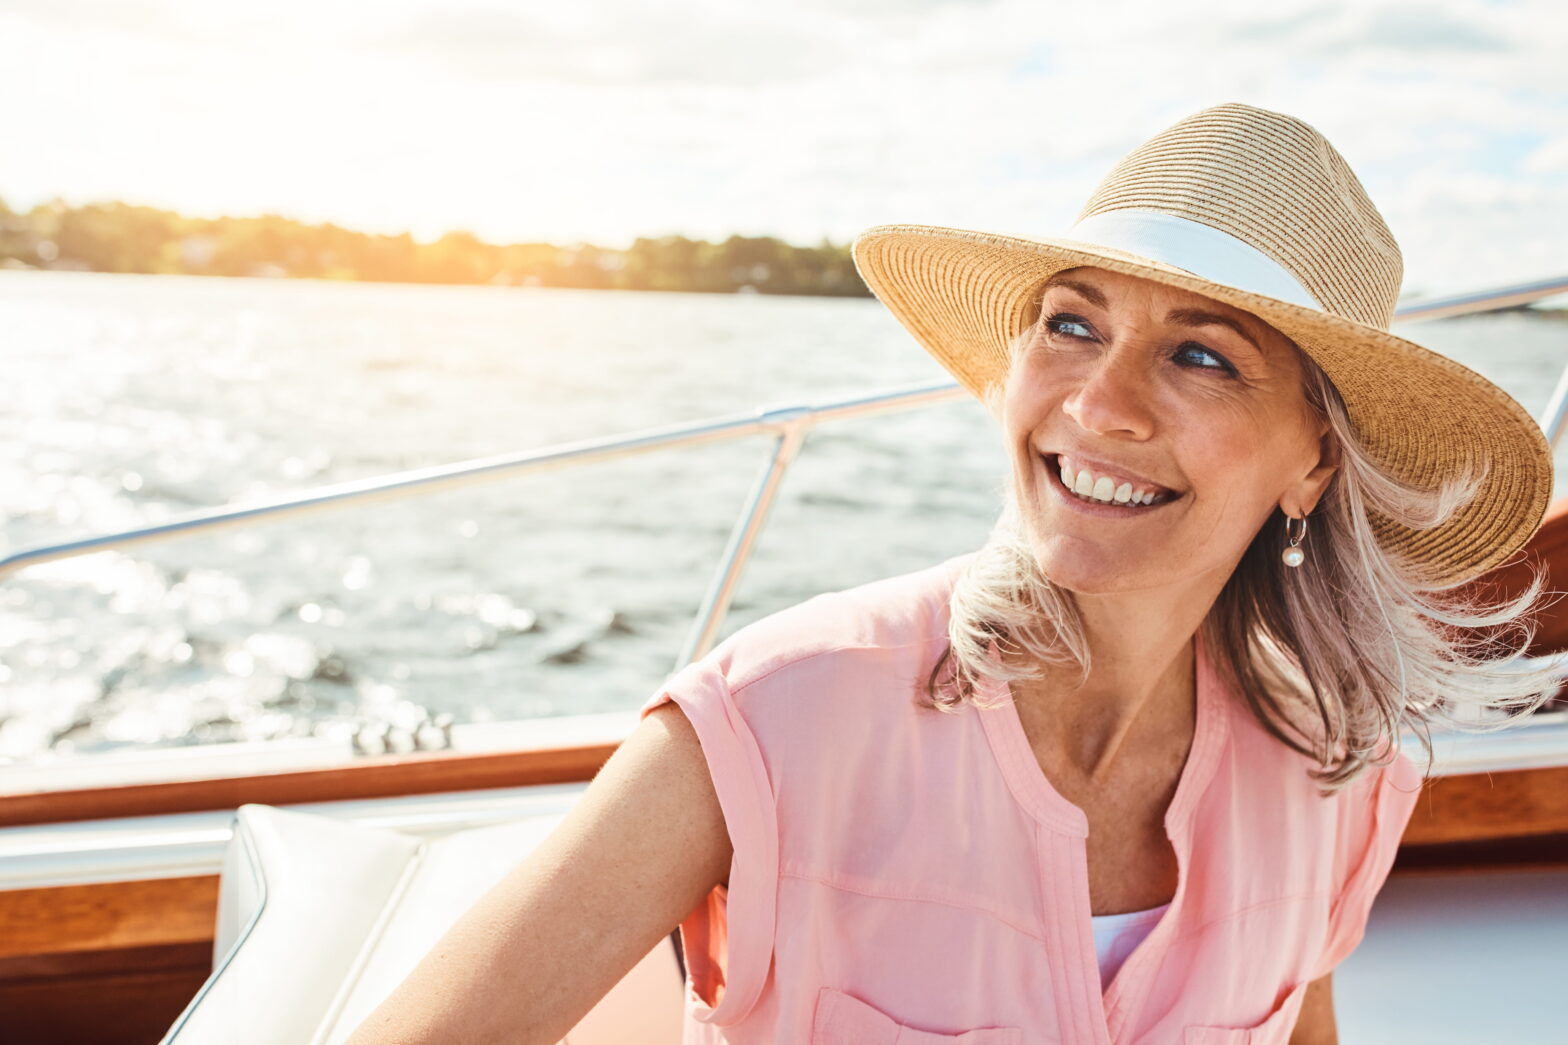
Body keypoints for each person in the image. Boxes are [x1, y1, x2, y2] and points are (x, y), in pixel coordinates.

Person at [343, 103, 1563, 1045]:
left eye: (1198, 355)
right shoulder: (776, 716)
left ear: (1310, 461)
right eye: (1071, 324)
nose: (1098, 403)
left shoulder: (1331, 776)